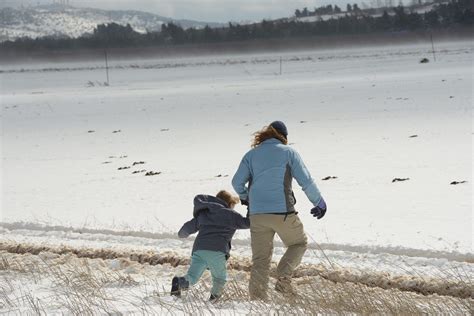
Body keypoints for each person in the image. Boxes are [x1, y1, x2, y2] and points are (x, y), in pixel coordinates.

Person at [232, 121, 327, 300]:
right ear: (284, 136)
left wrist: (246, 198)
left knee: (260, 259)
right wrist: (319, 202)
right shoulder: (289, 152)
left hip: (257, 215)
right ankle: (283, 280)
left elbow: (237, 182)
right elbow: (305, 180)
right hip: (283, 213)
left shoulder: (251, 155)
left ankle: (258, 299)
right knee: (298, 243)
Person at [171, 190, 250, 301]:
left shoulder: (205, 213)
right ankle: (214, 299)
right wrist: (250, 207)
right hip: (217, 251)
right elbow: (248, 223)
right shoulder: (232, 215)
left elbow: (186, 229)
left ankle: (179, 282)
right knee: (219, 279)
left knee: (192, 277)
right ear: (230, 203)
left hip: (199, 250)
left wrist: (182, 234)